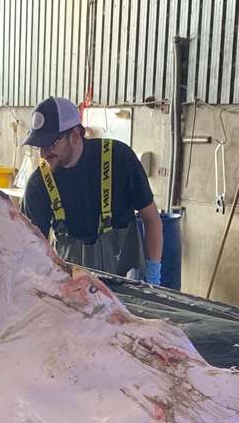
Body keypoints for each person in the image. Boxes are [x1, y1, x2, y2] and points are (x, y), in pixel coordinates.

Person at [20, 96, 164, 283]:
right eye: (39, 146)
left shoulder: (119, 159)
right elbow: (32, 247)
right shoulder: (38, 185)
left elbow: (151, 218)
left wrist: (153, 274)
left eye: (51, 144)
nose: (43, 153)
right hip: (72, 288)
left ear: (75, 134)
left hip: (125, 282)